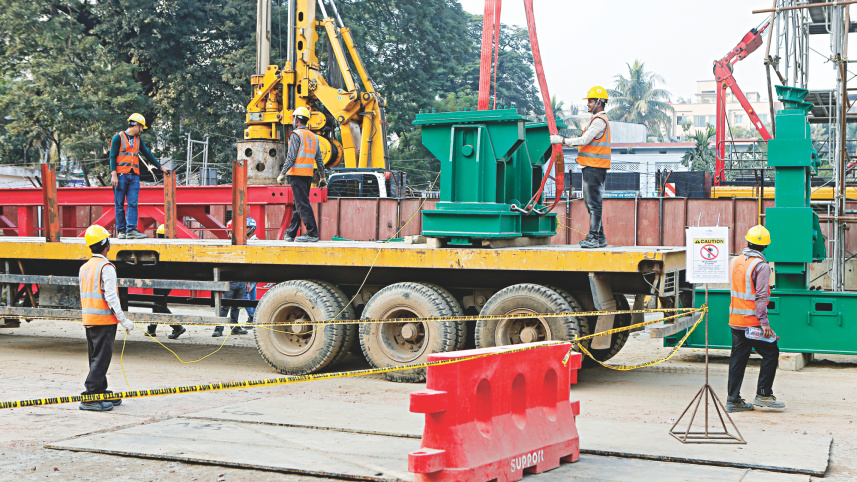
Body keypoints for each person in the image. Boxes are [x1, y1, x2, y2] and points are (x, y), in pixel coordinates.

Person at [725, 225, 786, 413]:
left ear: (748, 241)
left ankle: (733, 400)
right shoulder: (761, 266)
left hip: (736, 320)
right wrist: (764, 324)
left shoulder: (735, 261)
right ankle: (764, 395)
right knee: (771, 352)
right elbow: (760, 297)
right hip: (752, 323)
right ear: (766, 245)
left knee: (738, 359)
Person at [78, 225, 135, 412]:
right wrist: (123, 319)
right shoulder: (106, 267)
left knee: (95, 357)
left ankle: (100, 390)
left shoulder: (85, 267)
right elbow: (111, 297)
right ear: (107, 244)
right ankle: (90, 395)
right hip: (104, 320)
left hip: (89, 319)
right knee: (102, 359)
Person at [550, 86, 611, 249]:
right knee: (591, 203)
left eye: (590, 101)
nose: (588, 104)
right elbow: (584, 144)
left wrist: (562, 140)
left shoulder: (599, 121)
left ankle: (593, 237)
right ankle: (600, 238)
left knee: (593, 204)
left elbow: (583, 140)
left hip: (594, 167)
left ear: (599, 102)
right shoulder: (596, 121)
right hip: (592, 166)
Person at [110, 113, 170, 240]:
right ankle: (122, 231)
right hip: (120, 176)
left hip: (134, 177)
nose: (142, 130)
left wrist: (161, 167)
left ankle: (131, 230)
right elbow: (112, 156)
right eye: (141, 127)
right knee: (119, 204)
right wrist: (113, 174)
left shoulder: (138, 140)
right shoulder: (118, 138)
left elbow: (147, 154)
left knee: (133, 203)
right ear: (136, 125)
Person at [276, 106, 326, 243]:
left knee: (302, 203)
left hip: (296, 174)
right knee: (298, 204)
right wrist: (322, 177)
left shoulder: (296, 135)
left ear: (297, 120)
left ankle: (312, 232)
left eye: (293, 119)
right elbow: (319, 159)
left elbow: (291, 157)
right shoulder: (314, 137)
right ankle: (291, 233)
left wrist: (282, 173)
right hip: (308, 175)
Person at [145, 224, 186, 339]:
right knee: (157, 303)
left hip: (160, 279)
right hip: (170, 278)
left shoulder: (159, 247)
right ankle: (151, 328)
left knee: (159, 304)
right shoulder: (175, 246)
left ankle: (177, 327)